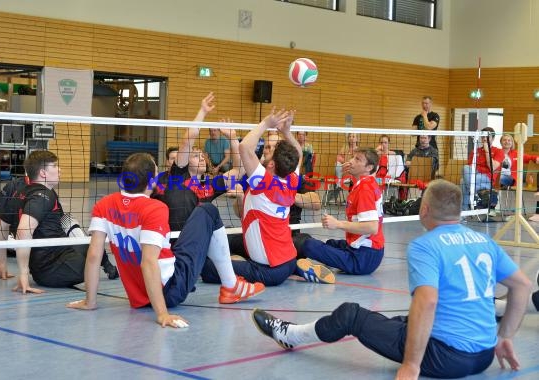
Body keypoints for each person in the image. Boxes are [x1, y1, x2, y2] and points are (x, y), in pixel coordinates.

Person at [252, 179, 532, 379]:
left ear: (424, 210)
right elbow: (522, 285)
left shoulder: (426, 245)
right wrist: (504, 336)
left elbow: (428, 302)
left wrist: (411, 364)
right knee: (401, 323)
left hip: (445, 359)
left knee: (350, 314)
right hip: (483, 357)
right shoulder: (484, 241)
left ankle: (287, 335)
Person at [66, 153, 265, 327]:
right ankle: (231, 286)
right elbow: (149, 262)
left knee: (198, 216)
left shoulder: (103, 204)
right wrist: (162, 313)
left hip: (138, 297)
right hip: (170, 290)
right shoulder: (155, 208)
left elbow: (94, 256)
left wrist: (89, 301)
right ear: (152, 181)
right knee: (208, 210)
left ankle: (230, 285)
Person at [202, 109, 331, 286]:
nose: (265, 150)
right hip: (287, 257)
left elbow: (244, 147)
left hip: (269, 270)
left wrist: (265, 123)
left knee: (208, 269)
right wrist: (286, 132)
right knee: (231, 242)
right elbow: (298, 153)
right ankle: (296, 268)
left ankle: (251, 265)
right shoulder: (291, 178)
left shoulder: (263, 182)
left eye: (270, 150)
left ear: (271, 164)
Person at [12, 150, 118, 294]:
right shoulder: (42, 196)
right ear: (43, 173)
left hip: (54, 257)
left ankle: (108, 267)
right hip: (50, 269)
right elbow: (24, 230)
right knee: (93, 257)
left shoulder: (29, 191)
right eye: (55, 166)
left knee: (92, 244)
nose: (59, 169)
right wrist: (23, 274)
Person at [152, 92, 241, 232]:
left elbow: (238, 170)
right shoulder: (178, 176)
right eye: (195, 155)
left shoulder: (210, 186)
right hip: (172, 240)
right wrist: (203, 111)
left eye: (201, 155)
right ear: (184, 162)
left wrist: (233, 138)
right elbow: (188, 140)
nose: (201, 158)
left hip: (197, 241)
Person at [298, 148, 384, 277]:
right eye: (353, 157)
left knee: (308, 245)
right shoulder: (367, 182)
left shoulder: (365, 189)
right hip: (368, 251)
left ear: (369, 167)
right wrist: (349, 173)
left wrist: (337, 224)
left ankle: (292, 264)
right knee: (330, 243)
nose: (350, 161)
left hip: (363, 258)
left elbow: (372, 227)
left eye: (357, 159)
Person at [462, 127, 501, 210]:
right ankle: (471, 195)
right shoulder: (475, 151)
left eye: (487, 137)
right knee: (465, 169)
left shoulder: (498, 151)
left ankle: (464, 209)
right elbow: (470, 168)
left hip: (488, 179)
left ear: (493, 138)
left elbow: (492, 167)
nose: (484, 139)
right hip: (475, 177)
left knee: (463, 182)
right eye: (483, 136)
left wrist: (487, 149)